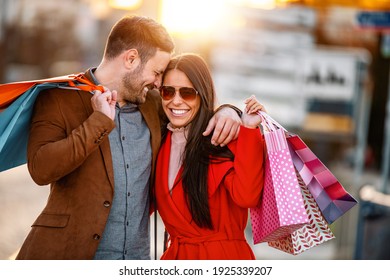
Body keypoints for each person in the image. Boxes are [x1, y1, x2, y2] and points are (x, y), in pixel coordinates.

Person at [15, 15, 241, 260]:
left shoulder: (155, 104)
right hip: (69, 256)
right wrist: (98, 122)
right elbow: (41, 169)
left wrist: (229, 111)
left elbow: (192, 110)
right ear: (131, 58)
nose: (158, 83)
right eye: (156, 72)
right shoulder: (59, 98)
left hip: (135, 260)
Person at [154, 53, 266, 260]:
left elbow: (247, 196)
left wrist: (249, 128)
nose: (175, 101)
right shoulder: (158, 141)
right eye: (167, 91)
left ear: (202, 94)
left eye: (187, 93)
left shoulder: (221, 137)